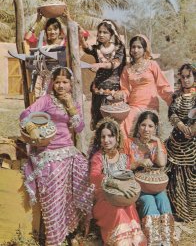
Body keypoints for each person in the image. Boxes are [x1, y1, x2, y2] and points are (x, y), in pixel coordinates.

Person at [20, 66, 94, 246]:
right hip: (49, 152)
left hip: (69, 151)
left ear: (70, 84)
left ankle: (72, 229)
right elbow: (25, 114)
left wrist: (70, 107)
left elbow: (79, 128)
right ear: (52, 83)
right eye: (58, 82)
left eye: (65, 82)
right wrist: (33, 129)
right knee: (54, 195)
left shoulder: (73, 103)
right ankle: (54, 238)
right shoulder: (46, 100)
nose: (61, 86)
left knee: (85, 176)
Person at [89, 117, 147, 245]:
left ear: (117, 137)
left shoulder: (123, 157)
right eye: (103, 137)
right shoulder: (98, 157)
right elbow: (94, 177)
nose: (106, 140)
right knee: (119, 211)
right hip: (104, 198)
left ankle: (135, 241)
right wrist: (115, 183)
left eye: (110, 136)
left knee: (130, 206)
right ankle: (121, 242)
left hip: (122, 197)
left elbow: (128, 176)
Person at [124, 111, 175, 245]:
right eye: (143, 125)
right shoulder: (128, 143)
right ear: (138, 126)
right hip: (137, 186)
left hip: (155, 186)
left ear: (155, 127)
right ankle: (153, 240)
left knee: (163, 199)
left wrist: (157, 141)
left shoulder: (156, 144)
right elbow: (123, 167)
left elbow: (162, 163)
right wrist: (139, 163)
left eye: (151, 126)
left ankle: (167, 239)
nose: (146, 129)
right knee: (149, 201)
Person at [119, 34, 173, 138]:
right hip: (133, 105)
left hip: (150, 105)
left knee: (146, 131)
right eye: (133, 47)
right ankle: (127, 152)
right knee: (125, 125)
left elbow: (162, 86)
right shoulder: (127, 68)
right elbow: (124, 89)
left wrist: (173, 100)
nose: (135, 50)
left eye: (139, 47)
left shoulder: (152, 65)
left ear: (145, 49)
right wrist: (120, 95)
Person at [80, 19, 126, 130]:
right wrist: (80, 34)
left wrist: (99, 65)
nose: (101, 34)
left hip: (114, 92)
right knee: (99, 123)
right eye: (99, 32)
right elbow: (86, 47)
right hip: (98, 91)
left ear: (111, 34)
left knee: (112, 124)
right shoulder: (96, 49)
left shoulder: (119, 48)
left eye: (105, 32)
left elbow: (114, 64)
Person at [166, 63, 196, 222]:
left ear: (194, 77)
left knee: (192, 177)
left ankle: (192, 213)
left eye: (188, 76)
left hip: (192, 145)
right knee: (176, 176)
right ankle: (179, 211)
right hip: (176, 143)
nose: (185, 80)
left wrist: (191, 130)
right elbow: (171, 113)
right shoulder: (176, 96)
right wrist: (181, 126)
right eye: (182, 77)